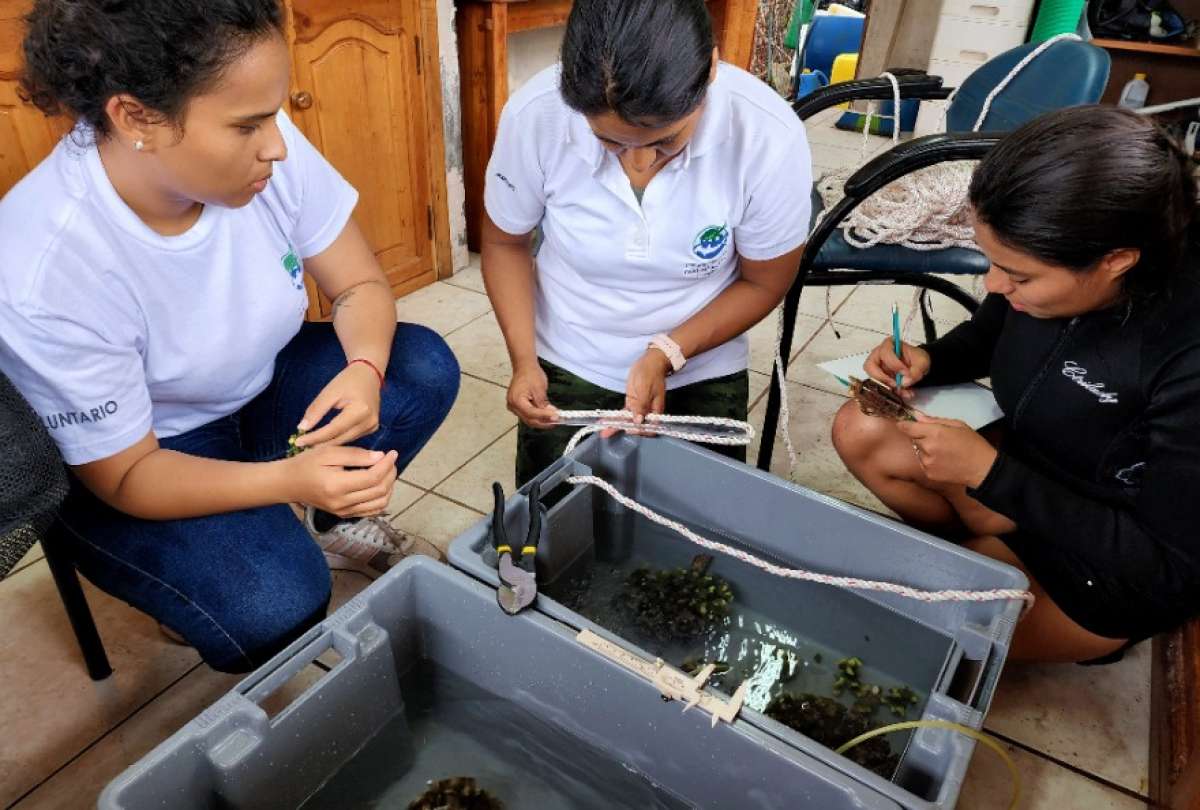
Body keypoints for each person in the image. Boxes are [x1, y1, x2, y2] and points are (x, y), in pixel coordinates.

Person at [0, 0, 460, 673]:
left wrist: (364, 366)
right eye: (247, 125)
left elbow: (360, 286)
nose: (276, 144)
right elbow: (128, 475)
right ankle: (223, 568)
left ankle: (330, 525)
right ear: (136, 118)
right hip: (135, 462)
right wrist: (288, 479)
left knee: (416, 367)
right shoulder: (48, 264)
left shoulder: (266, 152)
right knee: (277, 603)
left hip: (252, 391)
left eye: (273, 114)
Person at [832, 106, 1200, 663]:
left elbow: (1168, 563)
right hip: (1023, 481)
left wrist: (989, 473)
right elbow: (991, 331)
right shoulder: (1047, 272)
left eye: (1019, 275)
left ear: (1117, 261)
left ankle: (1012, 587)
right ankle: (980, 553)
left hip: (1102, 569)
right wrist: (931, 357)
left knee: (910, 655)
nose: (994, 284)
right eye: (991, 261)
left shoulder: (1186, 352)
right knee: (862, 424)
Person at [481, 0, 812, 485]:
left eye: (666, 142)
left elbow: (764, 282)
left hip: (700, 361)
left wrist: (669, 352)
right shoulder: (537, 117)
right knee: (553, 518)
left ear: (711, 71)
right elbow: (505, 244)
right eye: (609, 142)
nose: (638, 164)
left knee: (696, 526)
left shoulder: (766, 136)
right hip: (569, 351)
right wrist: (525, 361)